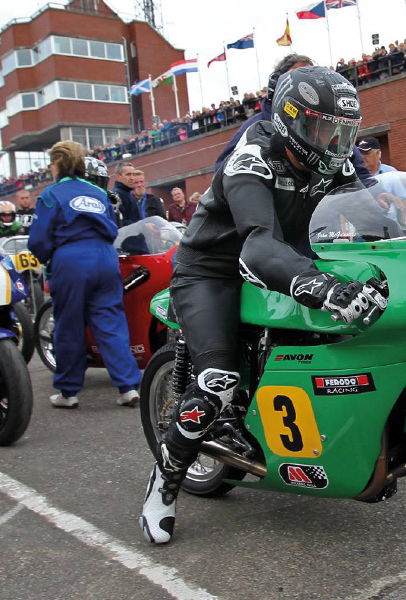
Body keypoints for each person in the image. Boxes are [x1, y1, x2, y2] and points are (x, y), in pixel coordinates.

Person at [140, 66, 388, 545]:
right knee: (218, 381)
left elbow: (373, 212)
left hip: (289, 260)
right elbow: (256, 245)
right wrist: (322, 287)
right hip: (213, 269)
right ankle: (164, 483)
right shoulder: (251, 159)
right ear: (292, 122)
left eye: (343, 132)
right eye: (323, 129)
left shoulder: (333, 161)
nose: (336, 143)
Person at [28, 141, 141, 409]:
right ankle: (128, 387)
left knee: (69, 326)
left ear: (58, 164)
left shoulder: (51, 194)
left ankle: (68, 392)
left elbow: (39, 240)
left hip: (71, 258)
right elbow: (113, 226)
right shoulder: (98, 192)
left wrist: (48, 259)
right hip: (105, 257)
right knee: (111, 323)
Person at [357, 137, 406, 223]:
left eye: (366, 153)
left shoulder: (390, 172)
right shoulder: (356, 174)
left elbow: (404, 198)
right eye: (360, 153)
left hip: (390, 226)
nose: (362, 157)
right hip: (364, 226)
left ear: (378, 153)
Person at [113, 161, 141, 226]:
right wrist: (141, 225)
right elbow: (120, 222)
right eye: (128, 174)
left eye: (133, 174)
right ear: (118, 176)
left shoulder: (128, 194)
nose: (132, 178)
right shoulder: (116, 196)